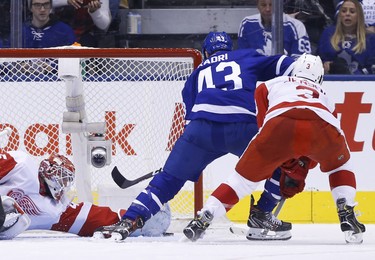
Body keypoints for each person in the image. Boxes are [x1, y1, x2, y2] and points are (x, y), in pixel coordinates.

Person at [93, 31, 296, 242]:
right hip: (242, 127)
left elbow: (189, 121)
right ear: (230, 48)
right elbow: (287, 65)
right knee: (286, 165)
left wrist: (183, 164)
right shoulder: (245, 56)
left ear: (205, 52)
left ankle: (130, 219)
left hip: (201, 131)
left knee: (167, 181)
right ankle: (262, 213)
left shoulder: (194, 76)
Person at [185, 53, 366, 243]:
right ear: (319, 77)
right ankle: (345, 207)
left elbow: (262, 116)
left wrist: (279, 151)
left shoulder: (273, 83)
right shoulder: (324, 95)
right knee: (340, 167)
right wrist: (301, 162)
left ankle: (207, 214)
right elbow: (324, 139)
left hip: (279, 124)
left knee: (241, 181)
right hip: (321, 125)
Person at [0, 150, 170, 239]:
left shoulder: (55, 211)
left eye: (66, 181)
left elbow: (91, 218)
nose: (63, 185)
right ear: (50, 172)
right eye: (62, 178)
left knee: (10, 213)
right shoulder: (22, 165)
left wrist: (136, 220)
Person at [238, 0, 311, 59]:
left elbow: (301, 60)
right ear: (257, 6)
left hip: (286, 75)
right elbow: (244, 59)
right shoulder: (247, 23)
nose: (267, 9)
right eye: (263, 5)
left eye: (271, 5)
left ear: (279, 5)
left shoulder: (296, 26)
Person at [318, 0, 375, 75]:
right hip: (330, 80)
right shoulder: (328, 34)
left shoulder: (370, 39)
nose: (347, 14)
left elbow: (371, 68)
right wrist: (324, 66)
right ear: (339, 14)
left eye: (352, 12)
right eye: (344, 11)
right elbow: (318, 61)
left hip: (360, 82)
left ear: (359, 16)